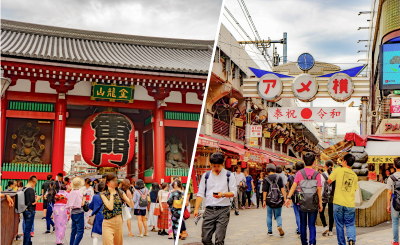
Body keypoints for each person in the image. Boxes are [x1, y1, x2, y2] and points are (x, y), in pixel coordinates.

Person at [194, 152, 237, 245]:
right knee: (205, 239)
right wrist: (196, 209)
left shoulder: (229, 175)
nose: (216, 168)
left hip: (223, 210)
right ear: (211, 164)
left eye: (218, 166)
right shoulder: (206, 176)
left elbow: (234, 192)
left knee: (219, 240)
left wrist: (223, 195)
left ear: (223, 164)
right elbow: (200, 193)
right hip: (209, 210)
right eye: (214, 166)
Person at [285, 152, 323, 245]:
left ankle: (304, 242)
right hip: (314, 202)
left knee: (303, 224)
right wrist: (320, 203)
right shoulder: (317, 174)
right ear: (314, 162)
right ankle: (312, 242)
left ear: (304, 162)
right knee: (311, 224)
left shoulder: (299, 173)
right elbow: (319, 190)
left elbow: (293, 186)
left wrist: (288, 198)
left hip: (301, 202)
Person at [328, 153, 358, 245]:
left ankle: (342, 243)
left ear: (345, 161)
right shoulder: (354, 175)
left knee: (339, 225)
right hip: (350, 204)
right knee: (350, 224)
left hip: (338, 202)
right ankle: (351, 238)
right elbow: (355, 189)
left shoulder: (338, 170)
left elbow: (329, 180)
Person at [100, 172, 132, 245]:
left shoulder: (120, 192)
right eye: (113, 180)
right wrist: (111, 193)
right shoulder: (103, 194)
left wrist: (129, 194)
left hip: (119, 223)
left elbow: (131, 204)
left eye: (116, 180)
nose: (115, 182)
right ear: (108, 182)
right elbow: (110, 207)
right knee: (108, 243)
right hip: (108, 223)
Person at [263, 163, 286, 237]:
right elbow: (282, 189)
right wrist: (285, 198)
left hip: (269, 200)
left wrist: (264, 201)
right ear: (274, 169)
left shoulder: (266, 179)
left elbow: (265, 191)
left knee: (269, 215)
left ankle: (270, 232)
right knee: (278, 215)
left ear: (267, 170)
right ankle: (279, 226)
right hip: (279, 199)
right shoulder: (279, 177)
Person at [66, 177, 86, 245]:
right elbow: (82, 204)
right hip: (79, 213)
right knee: (80, 232)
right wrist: (84, 199)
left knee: (73, 231)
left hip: (73, 213)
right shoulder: (79, 193)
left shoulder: (71, 192)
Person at [23, 175, 41, 245]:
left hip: (25, 210)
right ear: (33, 182)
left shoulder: (24, 188)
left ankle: (29, 242)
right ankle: (26, 243)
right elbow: (33, 202)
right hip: (30, 211)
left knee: (27, 229)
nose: (35, 185)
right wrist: (38, 198)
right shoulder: (31, 189)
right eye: (35, 183)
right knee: (28, 230)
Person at [320, 160, 335, 236]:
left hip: (324, 196)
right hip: (332, 196)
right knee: (331, 213)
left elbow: (321, 187)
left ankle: (325, 226)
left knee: (321, 211)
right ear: (332, 166)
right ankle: (331, 230)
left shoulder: (322, 175)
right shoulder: (334, 175)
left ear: (325, 166)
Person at [288, 162, 302, 235]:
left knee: (297, 214)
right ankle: (300, 228)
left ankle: (299, 229)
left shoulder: (292, 177)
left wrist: (289, 197)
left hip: (295, 198)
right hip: (304, 197)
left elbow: (291, 187)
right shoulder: (305, 176)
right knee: (302, 215)